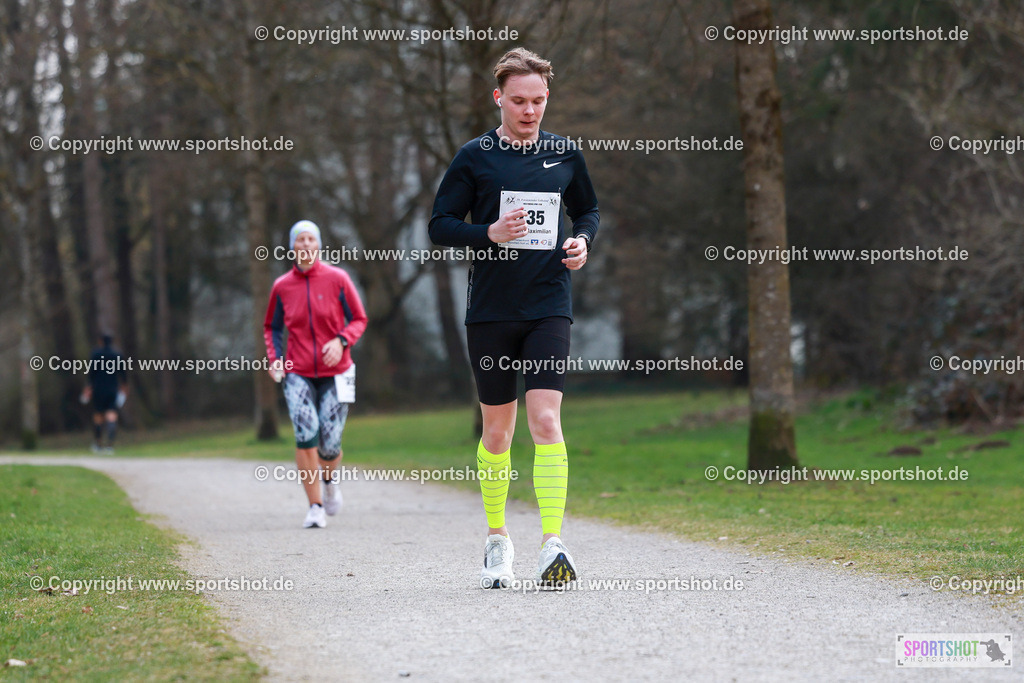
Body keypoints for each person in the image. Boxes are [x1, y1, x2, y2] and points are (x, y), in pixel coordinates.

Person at [429, 48, 599, 587]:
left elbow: (588, 210)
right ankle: (497, 539)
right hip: (492, 312)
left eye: (539, 101)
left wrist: (582, 241)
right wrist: (489, 233)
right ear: (498, 98)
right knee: (498, 433)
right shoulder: (474, 157)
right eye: (520, 101)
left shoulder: (565, 154)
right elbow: (440, 224)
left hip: (549, 306)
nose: (530, 111)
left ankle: (553, 543)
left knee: (546, 420)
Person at [263, 220, 368, 528]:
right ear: (292, 247)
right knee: (305, 436)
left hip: (338, 372)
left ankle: (330, 482)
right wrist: (275, 359)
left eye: (311, 239)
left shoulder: (338, 279)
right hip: (298, 372)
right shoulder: (282, 286)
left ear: (319, 245)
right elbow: (272, 327)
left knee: (330, 445)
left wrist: (341, 340)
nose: (306, 244)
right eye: (300, 239)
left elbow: (359, 319)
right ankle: (315, 506)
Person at [82, 333, 127, 454]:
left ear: (100, 341)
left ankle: (98, 444)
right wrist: (124, 387)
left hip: (98, 389)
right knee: (112, 416)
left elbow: (91, 373)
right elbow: (123, 373)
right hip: (112, 389)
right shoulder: (117, 355)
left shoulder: (96, 354)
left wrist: (88, 387)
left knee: (98, 417)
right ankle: (109, 446)